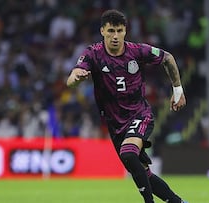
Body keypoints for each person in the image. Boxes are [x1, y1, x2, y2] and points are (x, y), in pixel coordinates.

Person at [66, 9, 187, 203]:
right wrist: (76, 79)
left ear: (125, 31)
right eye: (111, 30)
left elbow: (167, 58)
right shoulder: (93, 54)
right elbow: (73, 76)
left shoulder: (137, 51)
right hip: (114, 123)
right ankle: (178, 202)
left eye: (120, 31)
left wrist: (178, 91)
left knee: (129, 154)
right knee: (142, 172)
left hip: (140, 114)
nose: (115, 36)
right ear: (102, 31)